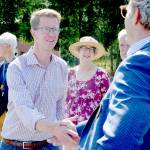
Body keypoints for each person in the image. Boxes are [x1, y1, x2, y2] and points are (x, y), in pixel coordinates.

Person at [49, 0, 150, 149]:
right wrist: (77, 131)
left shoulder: (137, 63)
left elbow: (119, 141)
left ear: (136, 15)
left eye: (125, 12)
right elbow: (110, 112)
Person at [0, 9, 78, 150]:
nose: (52, 34)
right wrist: (54, 128)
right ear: (33, 32)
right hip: (16, 146)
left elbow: (59, 105)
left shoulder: (62, 66)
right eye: (46, 29)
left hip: (49, 145)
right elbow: (25, 109)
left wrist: (59, 129)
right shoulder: (16, 67)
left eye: (55, 29)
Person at [65, 36, 110, 125]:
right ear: (79, 51)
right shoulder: (69, 73)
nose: (87, 52)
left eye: (91, 49)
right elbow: (63, 99)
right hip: (70, 125)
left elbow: (107, 102)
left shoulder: (101, 75)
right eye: (84, 48)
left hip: (91, 127)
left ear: (94, 53)